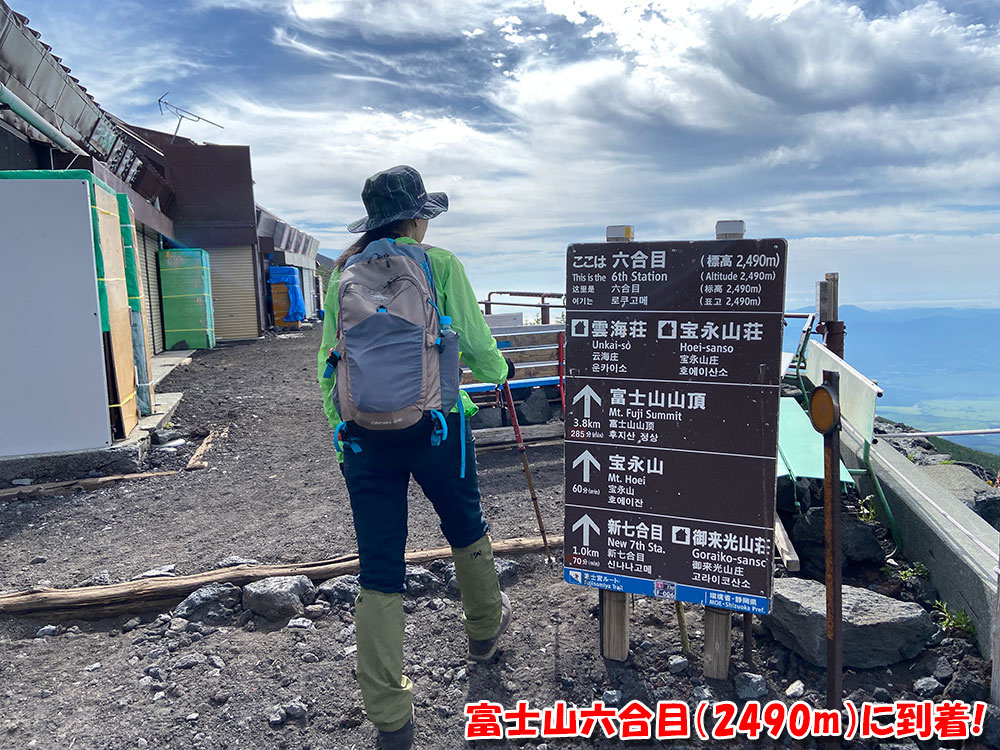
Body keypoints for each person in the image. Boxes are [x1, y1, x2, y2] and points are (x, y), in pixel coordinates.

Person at [317, 165, 514, 750]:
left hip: (363, 438)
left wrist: (343, 434)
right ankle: (483, 632)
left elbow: (329, 363)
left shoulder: (343, 275)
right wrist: (499, 374)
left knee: (379, 565)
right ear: (416, 216)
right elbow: (479, 348)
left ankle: (389, 716)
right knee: (464, 526)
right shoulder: (441, 265)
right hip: (438, 427)